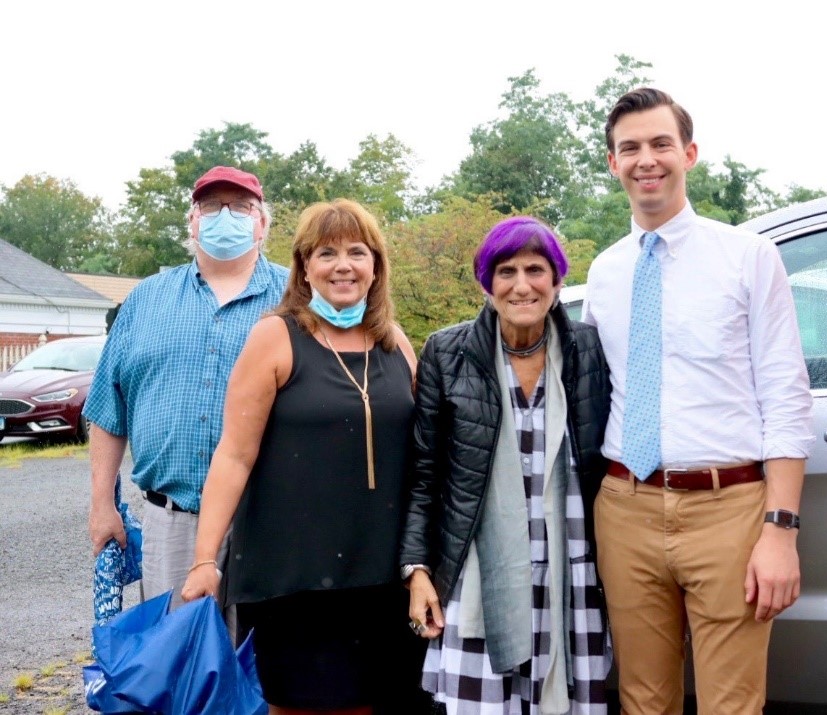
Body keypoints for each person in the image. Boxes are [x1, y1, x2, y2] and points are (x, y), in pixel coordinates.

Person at [581, 87, 815, 714]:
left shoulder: (746, 256)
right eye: (629, 148)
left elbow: (786, 397)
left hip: (728, 510)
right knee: (641, 699)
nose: (646, 159)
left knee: (731, 705)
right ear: (613, 163)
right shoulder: (604, 273)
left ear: (689, 153)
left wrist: (781, 531)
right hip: (625, 507)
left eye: (660, 144)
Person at [181, 199, 428, 715]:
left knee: (383, 703)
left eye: (357, 252)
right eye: (326, 252)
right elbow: (233, 456)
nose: (343, 265)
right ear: (304, 266)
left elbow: (424, 457)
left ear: (376, 266)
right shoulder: (276, 337)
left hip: (382, 576)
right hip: (292, 579)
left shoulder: (395, 343)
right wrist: (206, 559)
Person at [400, 216, 613, 714]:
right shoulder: (446, 353)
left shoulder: (589, 350)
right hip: (479, 576)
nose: (522, 285)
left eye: (536, 270)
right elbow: (425, 474)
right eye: (506, 271)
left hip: (571, 574)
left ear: (558, 279)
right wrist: (417, 571)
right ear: (487, 283)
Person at [85, 166, 288, 610]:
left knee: (267, 669)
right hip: (171, 524)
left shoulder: (297, 297)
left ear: (262, 223)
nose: (225, 216)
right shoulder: (146, 299)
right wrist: (103, 505)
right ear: (192, 220)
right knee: (177, 663)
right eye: (212, 206)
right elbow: (107, 409)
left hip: (272, 524)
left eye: (240, 207)